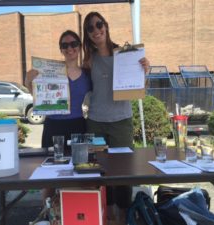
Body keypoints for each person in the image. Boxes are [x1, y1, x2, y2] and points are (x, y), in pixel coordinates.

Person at [82, 11, 150, 221]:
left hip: (121, 121)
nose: (96, 30)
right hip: (95, 122)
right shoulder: (88, 61)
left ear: (106, 26)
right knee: (100, 170)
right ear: (87, 34)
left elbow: (140, 88)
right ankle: (106, 213)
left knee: (123, 171)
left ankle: (123, 214)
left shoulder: (125, 54)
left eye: (98, 24)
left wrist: (145, 72)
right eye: (90, 28)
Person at [25, 30, 92, 153]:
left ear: (80, 46)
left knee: (79, 164)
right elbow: (39, 97)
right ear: (61, 49)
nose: (69, 48)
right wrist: (28, 82)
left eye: (74, 43)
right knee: (52, 166)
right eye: (65, 45)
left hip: (78, 125)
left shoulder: (87, 74)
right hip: (53, 126)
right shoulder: (50, 72)